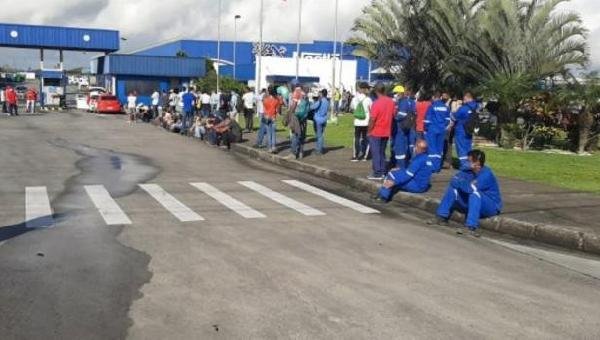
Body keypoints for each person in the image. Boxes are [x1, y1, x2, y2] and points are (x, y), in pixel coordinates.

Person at [430, 149, 503, 237]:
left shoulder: (486, 174)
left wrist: (460, 183)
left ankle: (470, 227)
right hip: (474, 202)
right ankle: (441, 217)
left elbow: (470, 189)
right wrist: (462, 183)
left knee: (475, 193)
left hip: (491, 206)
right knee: (453, 189)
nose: (466, 163)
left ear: (476, 163)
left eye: (469, 161)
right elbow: (453, 181)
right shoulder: (468, 171)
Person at [367, 83, 395, 180]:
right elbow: (394, 114)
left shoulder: (376, 103)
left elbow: (372, 119)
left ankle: (377, 172)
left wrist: (369, 131)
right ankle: (383, 171)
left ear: (376, 91)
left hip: (376, 131)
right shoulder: (391, 102)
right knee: (382, 152)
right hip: (386, 130)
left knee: (376, 152)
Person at [451, 91, 479, 170]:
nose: (463, 100)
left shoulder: (463, 108)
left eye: (464, 99)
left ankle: (465, 166)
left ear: (466, 98)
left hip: (461, 131)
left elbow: (454, 117)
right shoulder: (476, 107)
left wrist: (455, 107)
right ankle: (471, 163)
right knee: (468, 148)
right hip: (469, 131)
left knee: (461, 149)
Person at [424, 91, 451, 172]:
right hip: (442, 130)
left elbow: (427, 120)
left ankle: (432, 167)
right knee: (439, 149)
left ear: (434, 97)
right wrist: (443, 126)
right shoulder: (446, 107)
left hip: (432, 129)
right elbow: (448, 120)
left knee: (432, 148)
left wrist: (426, 128)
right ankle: (437, 167)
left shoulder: (432, 106)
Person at [391, 88, 417, 169]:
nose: (395, 95)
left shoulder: (403, 102)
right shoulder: (409, 102)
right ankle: (404, 164)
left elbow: (402, 114)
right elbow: (414, 113)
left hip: (400, 128)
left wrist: (394, 118)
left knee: (399, 148)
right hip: (406, 127)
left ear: (400, 93)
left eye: (396, 93)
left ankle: (400, 166)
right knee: (405, 146)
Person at [286, 86, 310, 159]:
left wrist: (289, 115)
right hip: (304, 119)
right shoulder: (306, 97)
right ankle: (301, 152)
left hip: (297, 117)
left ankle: (293, 153)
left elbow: (294, 106)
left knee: (295, 135)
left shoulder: (297, 94)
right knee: (302, 136)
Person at [350, 82, 372, 162]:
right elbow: (371, 110)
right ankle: (365, 156)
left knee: (356, 138)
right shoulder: (368, 99)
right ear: (365, 89)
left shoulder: (354, 99)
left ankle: (355, 156)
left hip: (357, 122)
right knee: (365, 139)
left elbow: (352, 108)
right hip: (366, 122)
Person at [310, 89, 330, 155]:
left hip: (318, 119)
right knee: (321, 135)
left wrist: (312, 103)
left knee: (318, 136)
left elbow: (312, 107)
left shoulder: (320, 101)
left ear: (321, 94)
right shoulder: (327, 101)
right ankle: (320, 148)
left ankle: (319, 150)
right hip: (324, 119)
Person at [262, 87, 282, 153]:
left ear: (268, 91)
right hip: (273, 117)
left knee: (268, 133)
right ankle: (274, 147)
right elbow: (278, 109)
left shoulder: (265, 99)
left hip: (267, 116)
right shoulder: (277, 99)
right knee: (273, 133)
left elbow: (264, 108)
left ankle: (269, 148)